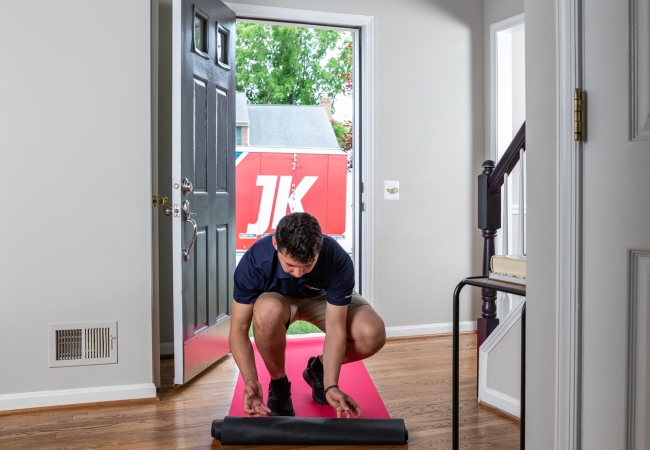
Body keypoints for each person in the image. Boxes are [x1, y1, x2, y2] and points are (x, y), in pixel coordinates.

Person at [229, 212, 386, 418]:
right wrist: (251, 381)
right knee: (267, 310)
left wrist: (331, 385)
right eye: (290, 265)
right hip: (278, 300)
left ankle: (318, 369)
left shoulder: (337, 258)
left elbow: (335, 328)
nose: (298, 273)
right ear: (276, 244)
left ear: (319, 249)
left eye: (307, 265)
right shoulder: (254, 262)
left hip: (321, 297)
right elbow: (238, 330)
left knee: (372, 333)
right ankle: (279, 384)